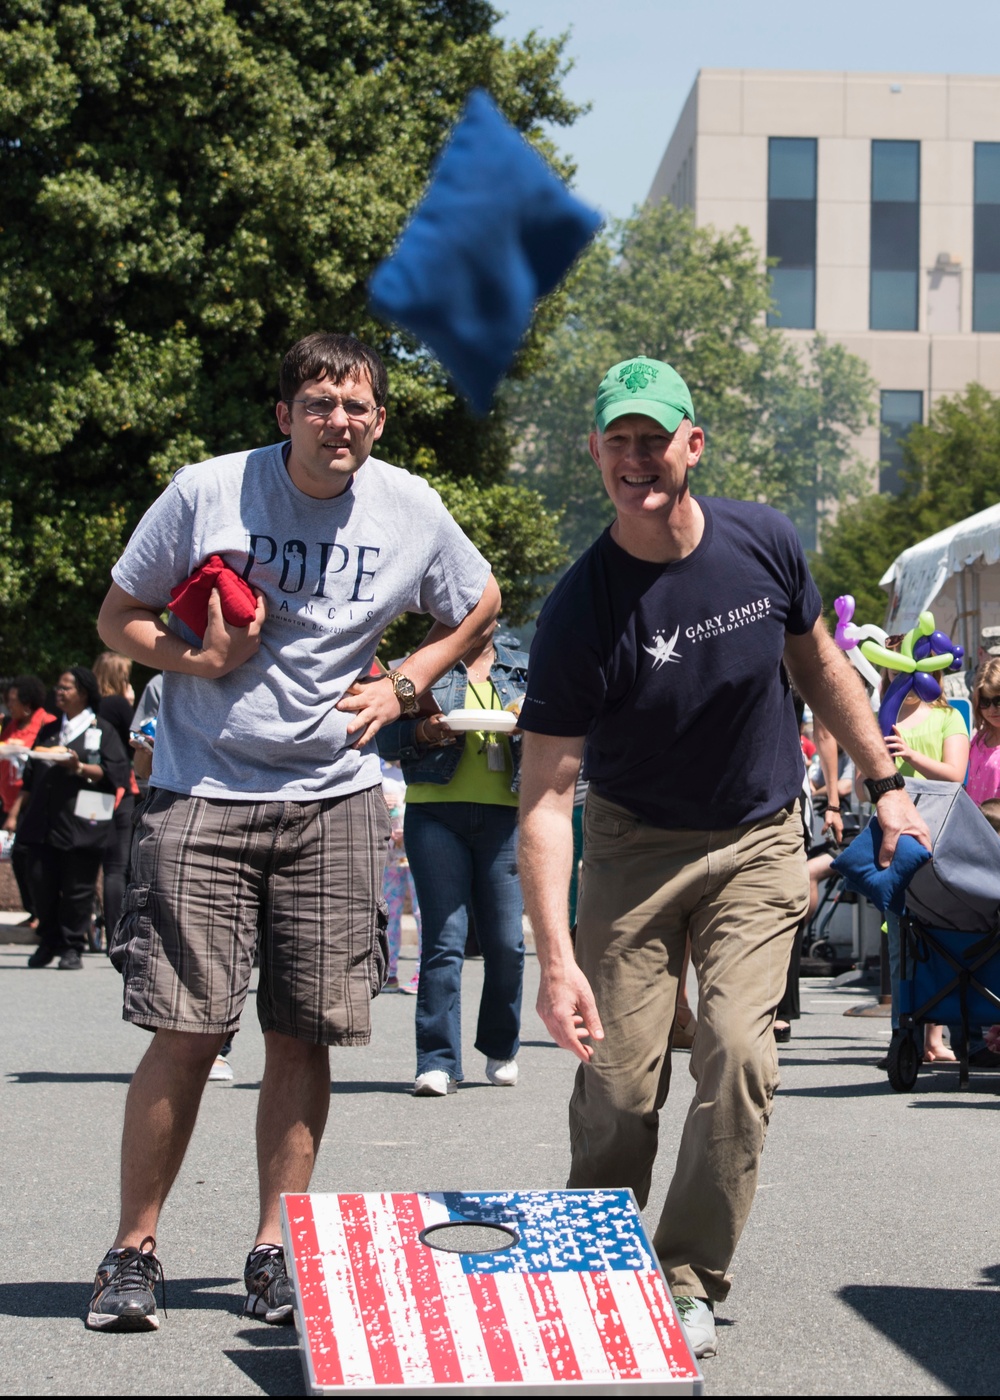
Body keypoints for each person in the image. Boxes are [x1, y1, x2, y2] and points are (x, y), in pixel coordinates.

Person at [516, 356, 931, 1361]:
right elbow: (544, 799)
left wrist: (884, 784)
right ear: (596, 454)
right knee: (619, 1084)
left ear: (692, 445)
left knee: (740, 1053)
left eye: (652, 439)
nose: (634, 458)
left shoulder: (763, 541)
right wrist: (555, 957)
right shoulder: (581, 608)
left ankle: (687, 1274)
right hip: (632, 845)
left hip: (754, 837)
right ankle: (598, 1257)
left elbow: (820, 666)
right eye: (616, 440)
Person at [87, 332, 500, 1333]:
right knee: (188, 1031)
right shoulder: (207, 492)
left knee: (303, 1032)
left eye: (355, 404)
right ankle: (132, 1250)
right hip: (203, 789)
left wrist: (406, 683)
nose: (337, 419)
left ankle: (276, 1249)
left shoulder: (411, 507)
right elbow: (116, 617)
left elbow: (481, 602)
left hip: (338, 797)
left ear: (379, 419)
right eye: (317, 402)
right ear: (284, 416)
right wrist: (198, 658)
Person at [378, 626, 528, 1095]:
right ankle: (437, 1062)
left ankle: (501, 1046)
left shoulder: (522, 667)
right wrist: (425, 729)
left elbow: (557, 725)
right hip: (435, 812)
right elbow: (384, 738)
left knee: (506, 943)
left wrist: (530, 723)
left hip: (504, 816)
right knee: (444, 939)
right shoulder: (418, 665)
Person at [855, 639, 969, 1063]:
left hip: (935, 832)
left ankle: (935, 1039)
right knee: (899, 937)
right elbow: (861, 780)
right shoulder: (879, 718)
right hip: (889, 836)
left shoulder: (949, 716)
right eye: (892, 666)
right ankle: (902, 1035)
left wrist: (909, 756)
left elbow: (955, 775)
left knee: (936, 933)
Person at [18, 667, 130, 970]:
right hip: (43, 821)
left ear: (83, 692)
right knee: (40, 880)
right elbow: (30, 776)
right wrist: (16, 814)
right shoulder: (50, 729)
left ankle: (72, 945)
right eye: (58, 686)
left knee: (77, 887)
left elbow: (115, 773)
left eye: (66, 687)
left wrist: (78, 766)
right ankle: (48, 939)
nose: (59, 692)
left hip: (83, 821)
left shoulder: (101, 729)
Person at [0, 675, 56, 921]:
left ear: (28, 703)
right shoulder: (11, 725)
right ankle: (33, 911)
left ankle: (41, 913)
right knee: (16, 858)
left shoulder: (46, 723)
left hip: (32, 803)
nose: (9, 706)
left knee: (29, 856)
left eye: (13, 702)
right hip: (8, 801)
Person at [93, 651, 139, 945]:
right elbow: (135, 739)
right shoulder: (119, 705)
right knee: (116, 864)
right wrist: (131, 705)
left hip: (91, 789)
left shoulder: (92, 705)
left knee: (90, 858)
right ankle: (116, 934)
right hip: (119, 789)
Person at [380, 758, 421, 994]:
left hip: (416, 845)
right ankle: (389, 972)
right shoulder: (379, 770)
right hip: (392, 851)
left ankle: (422, 972)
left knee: (420, 911)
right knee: (390, 912)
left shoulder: (415, 764)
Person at [967, 658, 1000, 806]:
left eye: (998, 701)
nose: (992, 709)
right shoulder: (978, 738)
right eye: (985, 702)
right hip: (974, 823)